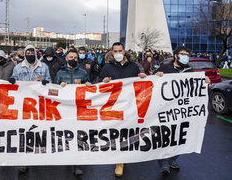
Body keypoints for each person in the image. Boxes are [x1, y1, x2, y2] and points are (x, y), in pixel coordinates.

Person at [154, 46, 210, 174]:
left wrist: (204, 81)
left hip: (182, 111)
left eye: (187, 54)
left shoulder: (189, 70)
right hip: (166, 110)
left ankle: (173, 159)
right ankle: (163, 164)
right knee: (166, 137)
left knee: (180, 137)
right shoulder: (164, 68)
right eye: (183, 54)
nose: (186, 56)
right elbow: (152, 84)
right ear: (175, 56)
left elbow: (195, 87)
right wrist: (157, 76)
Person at [99, 42, 146, 178]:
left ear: (124, 51)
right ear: (112, 53)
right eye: (115, 51)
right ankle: (119, 160)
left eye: (120, 50)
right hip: (114, 106)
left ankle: (123, 159)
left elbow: (143, 81)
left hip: (130, 105)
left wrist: (143, 77)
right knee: (116, 133)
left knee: (127, 132)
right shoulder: (107, 68)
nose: (118, 53)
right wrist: (103, 81)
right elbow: (99, 84)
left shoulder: (134, 66)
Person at [9, 45, 51, 173]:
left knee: (38, 131)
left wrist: (46, 82)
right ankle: (24, 161)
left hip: (39, 104)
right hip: (23, 105)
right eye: (27, 52)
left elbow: (49, 81)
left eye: (31, 52)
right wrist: (11, 81)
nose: (30, 54)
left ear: (35, 53)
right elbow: (14, 81)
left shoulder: (43, 67)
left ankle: (37, 157)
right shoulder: (18, 68)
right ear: (25, 54)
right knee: (24, 132)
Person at [53, 49, 91, 176]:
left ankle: (77, 163)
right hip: (64, 109)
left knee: (79, 135)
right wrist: (59, 87)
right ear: (66, 58)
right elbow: (52, 90)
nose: (73, 59)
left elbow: (90, 89)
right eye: (71, 57)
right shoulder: (60, 73)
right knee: (66, 134)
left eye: (75, 57)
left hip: (78, 108)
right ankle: (67, 156)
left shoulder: (83, 73)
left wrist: (88, 85)